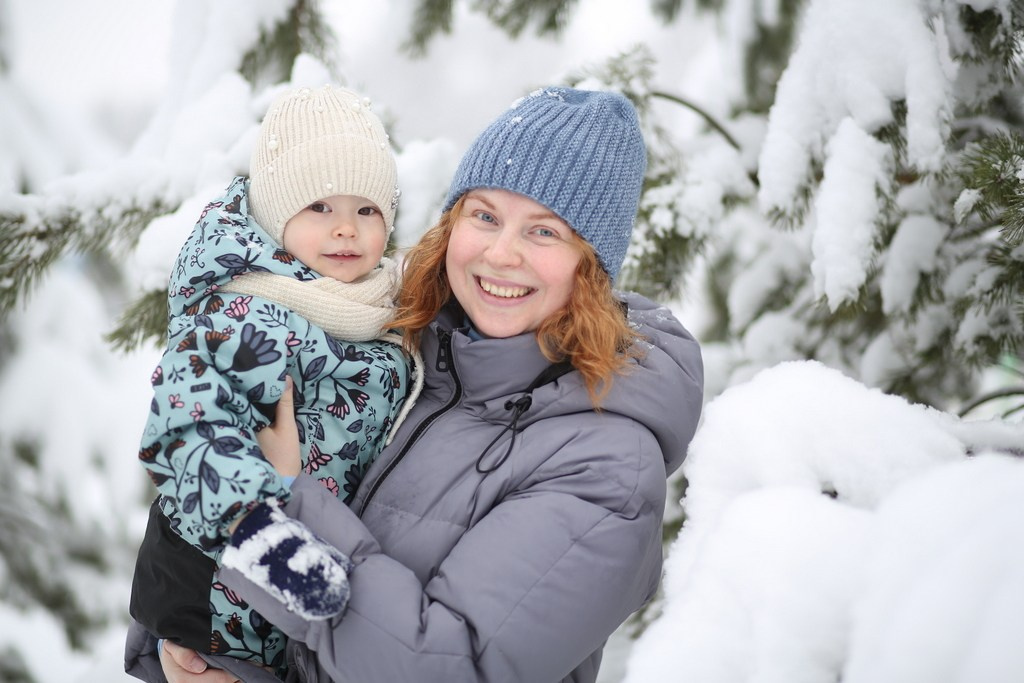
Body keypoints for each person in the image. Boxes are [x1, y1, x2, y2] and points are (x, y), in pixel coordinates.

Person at [127, 85, 704, 682]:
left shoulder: (606, 465)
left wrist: (289, 502)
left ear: (593, 263)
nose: (501, 254)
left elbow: (447, 669)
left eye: (544, 232)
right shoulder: (408, 345)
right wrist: (192, 632)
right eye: (485, 216)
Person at [128, 84, 420, 678]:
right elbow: (190, 422)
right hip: (227, 596)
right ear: (273, 213)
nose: (346, 229)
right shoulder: (250, 312)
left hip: (306, 618)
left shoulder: (380, 312)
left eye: (366, 210)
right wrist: (261, 536)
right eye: (319, 207)